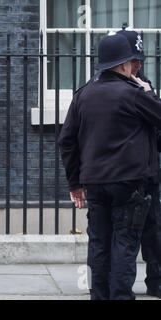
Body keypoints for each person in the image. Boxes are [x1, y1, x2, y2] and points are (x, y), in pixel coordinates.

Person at [59, 33, 161, 300]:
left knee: (99, 245)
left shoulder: (83, 95)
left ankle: (98, 295)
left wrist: (75, 184)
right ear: (123, 64)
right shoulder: (134, 95)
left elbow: (66, 141)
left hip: (94, 183)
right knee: (124, 243)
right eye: (133, 62)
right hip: (129, 183)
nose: (137, 67)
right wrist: (150, 94)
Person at [116, 27, 161, 298]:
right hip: (125, 172)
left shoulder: (144, 84)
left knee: (154, 230)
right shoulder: (108, 85)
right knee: (121, 234)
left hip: (149, 170)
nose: (138, 64)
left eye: (140, 59)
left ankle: (156, 280)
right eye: (134, 59)